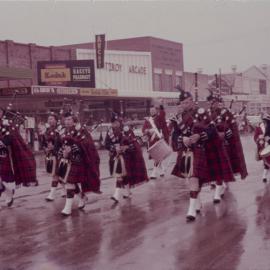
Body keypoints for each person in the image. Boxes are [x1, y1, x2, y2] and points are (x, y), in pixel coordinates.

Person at [171, 88, 215, 221]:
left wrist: (199, 136)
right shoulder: (177, 119)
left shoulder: (201, 113)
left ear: (192, 101)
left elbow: (212, 130)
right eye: (183, 102)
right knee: (193, 178)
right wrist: (182, 139)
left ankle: (191, 210)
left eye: (188, 101)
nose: (186, 104)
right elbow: (175, 136)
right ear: (180, 104)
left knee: (195, 177)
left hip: (200, 149)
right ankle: (196, 201)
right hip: (186, 151)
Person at [57, 111, 101, 216]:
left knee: (70, 182)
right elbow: (59, 145)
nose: (67, 122)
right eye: (65, 119)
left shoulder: (81, 131)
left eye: (69, 120)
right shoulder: (64, 131)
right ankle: (82, 197)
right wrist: (62, 153)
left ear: (74, 121)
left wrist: (74, 149)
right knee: (69, 182)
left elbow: (87, 144)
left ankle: (67, 208)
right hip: (67, 161)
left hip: (78, 161)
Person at [207, 93, 247, 199]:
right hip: (213, 144)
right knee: (215, 166)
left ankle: (222, 184)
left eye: (214, 102)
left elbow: (232, 126)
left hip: (224, 144)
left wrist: (228, 131)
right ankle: (219, 183)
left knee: (223, 165)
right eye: (211, 103)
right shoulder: (208, 114)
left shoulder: (226, 113)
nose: (212, 105)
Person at [105, 113, 148, 203]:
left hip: (126, 157)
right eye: (113, 123)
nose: (115, 125)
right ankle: (128, 192)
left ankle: (116, 195)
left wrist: (126, 147)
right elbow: (106, 144)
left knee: (120, 175)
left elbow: (133, 143)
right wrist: (113, 148)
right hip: (115, 156)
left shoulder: (126, 130)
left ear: (119, 122)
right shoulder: (109, 132)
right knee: (123, 176)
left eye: (116, 122)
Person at [0, 107, 37, 207]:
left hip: (6, 156)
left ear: (2, 113)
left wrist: (2, 142)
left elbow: (12, 138)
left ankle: (9, 194)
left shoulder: (8, 125)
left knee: (6, 180)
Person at [40, 112, 66, 201]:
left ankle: (52, 194)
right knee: (58, 174)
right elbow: (43, 143)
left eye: (51, 119)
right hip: (51, 155)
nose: (50, 121)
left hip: (59, 155)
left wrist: (54, 148)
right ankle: (64, 190)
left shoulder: (61, 129)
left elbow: (64, 142)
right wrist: (45, 148)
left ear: (56, 120)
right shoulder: (47, 130)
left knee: (55, 174)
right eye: (49, 119)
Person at [142, 105, 170, 179]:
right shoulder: (147, 120)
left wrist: (161, 105)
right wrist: (147, 130)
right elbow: (143, 129)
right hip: (151, 141)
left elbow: (163, 115)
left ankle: (154, 172)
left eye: (153, 110)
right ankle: (161, 171)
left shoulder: (159, 118)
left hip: (158, 139)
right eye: (151, 110)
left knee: (157, 156)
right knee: (156, 157)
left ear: (156, 111)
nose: (152, 112)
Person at [254, 113, 270, 183]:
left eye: (266, 120)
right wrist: (258, 139)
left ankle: (264, 176)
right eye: (263, 120)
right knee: (266, 163)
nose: (264, 121)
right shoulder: (258, 127)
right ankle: (264, 177)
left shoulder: (269, 126)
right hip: (263, 147)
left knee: (268, 162)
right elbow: (255, 137)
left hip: (269, 145)